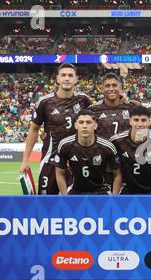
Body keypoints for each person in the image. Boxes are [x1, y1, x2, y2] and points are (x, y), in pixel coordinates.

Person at [19, 63, 92, 194]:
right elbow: (34, 130)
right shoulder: (45, 102)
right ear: (57, 78)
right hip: (50, 161)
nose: (67, 78)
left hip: (75, 161)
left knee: (75, 204)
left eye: (70, 75)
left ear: (76, 79)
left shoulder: (83, 100)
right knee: (45, 204)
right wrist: (25, 160)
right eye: (63, 75)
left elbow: (96, 120)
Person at [55, 110, 121, 195]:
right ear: (75, 125)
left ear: (95, 125)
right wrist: (65, 197)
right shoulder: (65, 145)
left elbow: (117, 175)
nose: (84, 126)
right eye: (81, 122)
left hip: (101, 191)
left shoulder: (107, 147)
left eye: (88, 122)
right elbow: (59, 173)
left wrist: (114, 198)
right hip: (75, 190)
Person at [109, 105, 151, 194]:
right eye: (136, 120)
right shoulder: (117, 141)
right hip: (126, 191)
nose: (140, 124)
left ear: (149, 122)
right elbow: (115, 171)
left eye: (143, 120)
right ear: (130, 121)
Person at [88, 73, 139, 139]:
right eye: (107, 86)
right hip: (103, 149)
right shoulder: (93, 110)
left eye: (114, 85)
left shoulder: (131, 107)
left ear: (120, 88)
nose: (111, 89)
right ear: (102, 89)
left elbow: (146, 113)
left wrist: (129, 100)